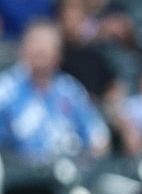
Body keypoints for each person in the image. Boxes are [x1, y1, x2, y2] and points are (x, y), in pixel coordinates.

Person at [0, 21, 110, 166]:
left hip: (69, 172)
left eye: (47, 45)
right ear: (23, 50)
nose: (41, 50)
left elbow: (98, 135)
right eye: (35, 43)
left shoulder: (69, 89)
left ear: (58, 54)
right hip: (21, 177)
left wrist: (90, 162)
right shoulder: (6, 88)